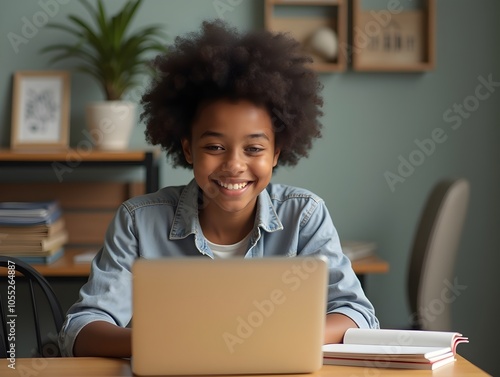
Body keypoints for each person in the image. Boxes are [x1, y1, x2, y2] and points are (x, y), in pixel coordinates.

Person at [59, 19, 379, 358]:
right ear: (187, 149)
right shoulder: (138, 222)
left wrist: (276, 337)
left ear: (276, 153)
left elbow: (357, 315)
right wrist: (168, 342)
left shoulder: (304, 216)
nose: (234, 165)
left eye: (254, 149)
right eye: (214, 147)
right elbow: (82, 328)